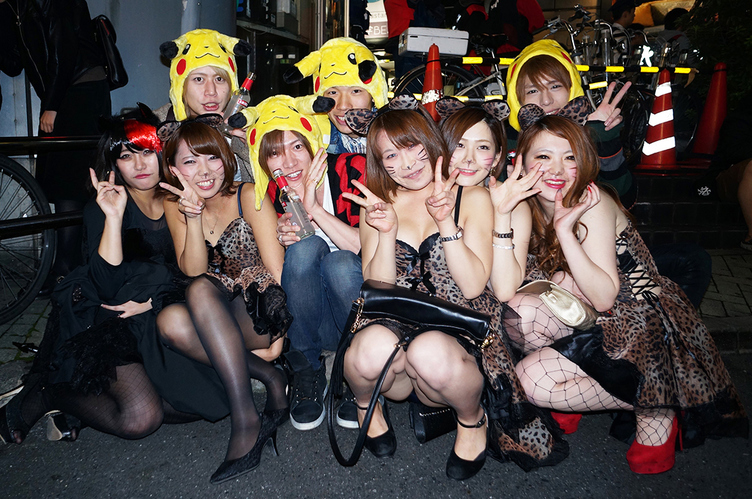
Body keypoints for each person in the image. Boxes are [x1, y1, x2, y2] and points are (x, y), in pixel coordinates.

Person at [502, 112, 748, 474]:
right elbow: (514, 285)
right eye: (543, 156)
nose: (556, 169)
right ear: (521, 162)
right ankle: (583, 387)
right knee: (522, 313)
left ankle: (660, 398)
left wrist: (566, 233)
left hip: (639, 319)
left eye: (570, 157)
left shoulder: (593, 201)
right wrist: (501, 213)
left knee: (532, 382)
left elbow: (604, 297)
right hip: (587, 315)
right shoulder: (526, 205)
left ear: (585, 163)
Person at [340, 96, 566, 480]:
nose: (406, 164)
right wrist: (387, 231)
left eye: (412, 148)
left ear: (431, 143)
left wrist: (446, 222)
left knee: (428, 351)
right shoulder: (376, 204)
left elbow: (474, 285)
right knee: (367, 350)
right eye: (391, 155)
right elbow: (377, 286)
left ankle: (470, 419)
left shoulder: (471, 196)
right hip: (395, 327)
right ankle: (367, 406)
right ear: (378, 161)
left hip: (453, 326)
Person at [0, 106, 225, 446]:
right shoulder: (104, 206)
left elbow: (195, 272)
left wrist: (153, 300)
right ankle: (49, 395)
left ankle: (92, 402)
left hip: (158, 316)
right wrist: (114, 217)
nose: (140, 165)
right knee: (141, 417)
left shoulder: (179, 200)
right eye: (126, 156)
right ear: (114, 164)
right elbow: (107, 286)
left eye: (147, 152)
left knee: (212, 404)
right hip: (113, 323)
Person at [155, 118, 291, 483]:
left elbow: (279, 273)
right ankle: (268, 377)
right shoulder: (174, 203)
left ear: (226, 158)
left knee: (199, 291)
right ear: (174, 169)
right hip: (214, 309)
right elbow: (193, 268)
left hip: (260, 310)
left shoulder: (248, 195)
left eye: (212, 157)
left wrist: (281, 337)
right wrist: (192, 217)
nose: (204, 171)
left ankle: (245, 420)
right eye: (190, 161)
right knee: (171, 320)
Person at [230, 94, 366, 431]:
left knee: (340, 262)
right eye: (274, 153)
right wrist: (282, 239)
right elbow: (281, 273)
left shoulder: (351, 169)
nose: (289, 162)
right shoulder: (273, 193)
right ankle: (307, 368)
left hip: (357, 316)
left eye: (297, 146)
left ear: (313, 144)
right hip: (311, 323)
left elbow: (368, 248)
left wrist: (315, 211)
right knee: (304, 249)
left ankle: (355, 370)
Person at [0, 0, 112, 290]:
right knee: (65, 181)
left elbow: (65, 49)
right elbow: (13, 64)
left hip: (79, 88)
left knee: (69, 183)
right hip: (64, 92)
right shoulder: (14, 7)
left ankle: (66, 267)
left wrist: (51, 105)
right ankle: (74, 264)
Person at [506, 39, 636, 209]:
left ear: (571, 88)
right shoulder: (506, 141)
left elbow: (622, 199)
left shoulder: (588, 133)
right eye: (533, 90)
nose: (546, 100)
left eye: (555, 86)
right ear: (517, 99)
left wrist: (604, 137)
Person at [156, 29, 254, 182]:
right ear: (180, 86)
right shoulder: (156, 124)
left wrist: (250, 147)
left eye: (219, 79)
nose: (211, 91)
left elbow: (269, 188)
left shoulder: (247, 123)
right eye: (199, 79)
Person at [283, 37, 390, 155]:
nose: (343, 106)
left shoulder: (397, 136)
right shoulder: (314, 141)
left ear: (374, 96)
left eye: (355, 91)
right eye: (333, 93)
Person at [439, 99, 509, 187]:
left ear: (497, 157)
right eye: (459, 145)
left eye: (482, 147)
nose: (469, 158)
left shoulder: (510, 195)